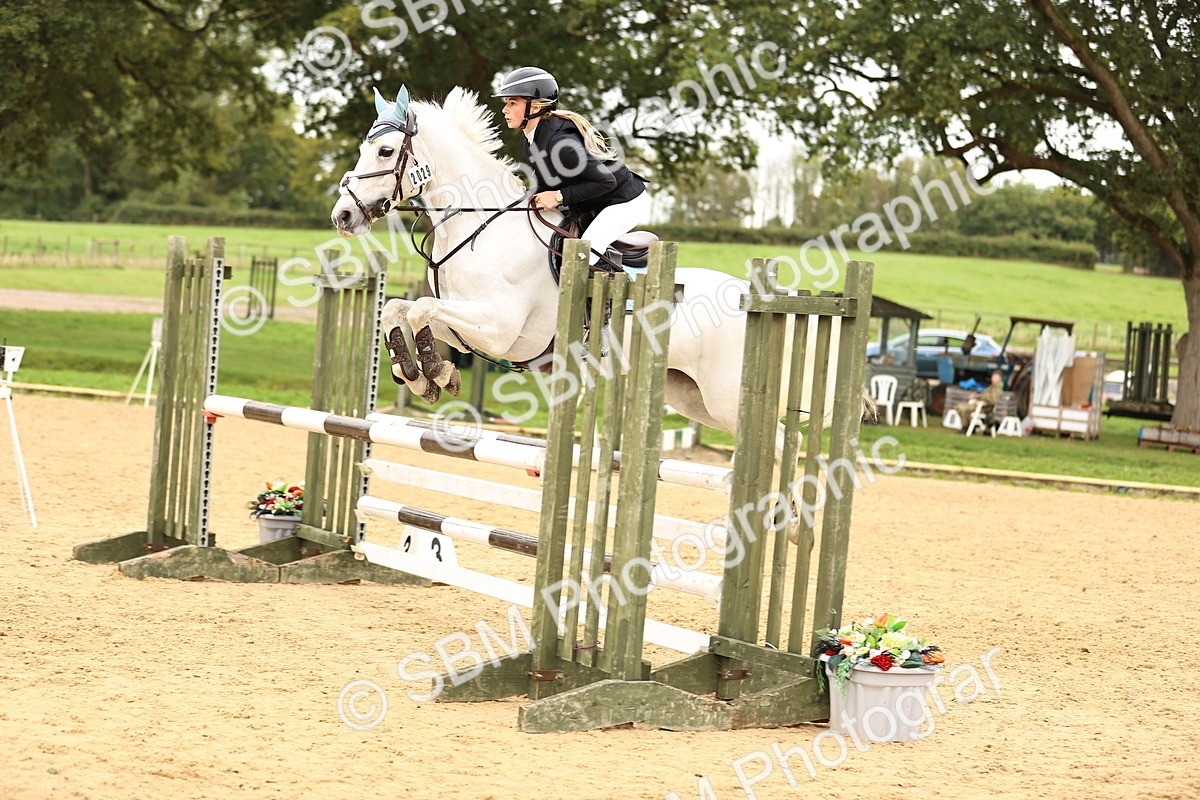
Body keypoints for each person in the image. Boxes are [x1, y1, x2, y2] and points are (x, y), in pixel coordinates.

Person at [494, 66, 650, 268]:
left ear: (534, 107)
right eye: (506, 102)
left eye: (512, 102)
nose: (504, 109)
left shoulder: (561, 143)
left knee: (579, 259)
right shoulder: (529, 141)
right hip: (592, 201)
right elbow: (545, 183)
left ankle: (610, 298)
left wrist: (559, 196)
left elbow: (606, 181)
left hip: (623, 201)